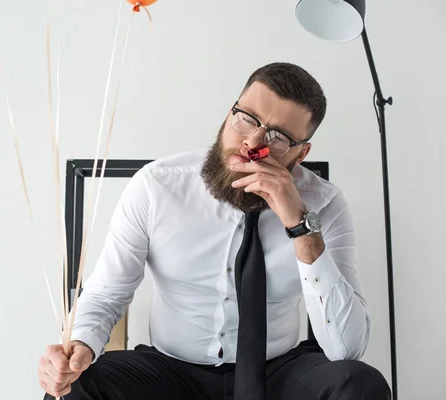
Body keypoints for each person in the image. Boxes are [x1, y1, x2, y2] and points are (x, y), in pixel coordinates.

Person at [37, 62, 392, 399]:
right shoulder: (157, 187)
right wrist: (79, 347)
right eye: (246, 119)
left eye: (277, 138)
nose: (251, 144)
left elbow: (346, 348)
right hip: (169, 370)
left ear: (300, 155)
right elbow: (106, 295)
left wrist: (300, 225)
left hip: (278, 372)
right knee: (79, 388)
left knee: (360, 385)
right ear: (229, 114)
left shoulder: (325, 205)